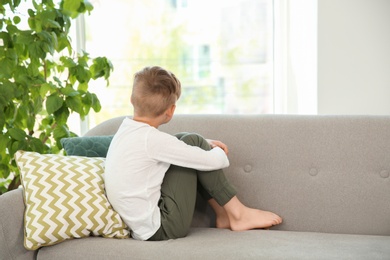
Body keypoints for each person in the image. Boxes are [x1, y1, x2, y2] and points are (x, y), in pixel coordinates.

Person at [104, 66, 282, 241]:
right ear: (171, 111)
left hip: (143, 228)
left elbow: (168, 146)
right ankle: (238, 213)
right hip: (163, 228)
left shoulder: (127, 131)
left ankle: (224, 215)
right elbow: (213, 162)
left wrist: (206, 144)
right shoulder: (151, 140)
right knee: (193, 141)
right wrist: (215, 150)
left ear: (131, 100)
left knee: (185, 139)